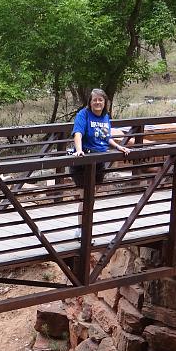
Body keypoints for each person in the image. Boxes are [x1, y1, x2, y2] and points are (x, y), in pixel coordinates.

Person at [70, 88, 131, 240]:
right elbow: (77, 133)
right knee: (86, 197)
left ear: (105, 102)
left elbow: (105, 137)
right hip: (85, 160)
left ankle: (81, 228)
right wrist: (78, 150)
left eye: (100, 100)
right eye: (94, 100)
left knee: (91, 197)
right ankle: (84, 230)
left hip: (99, 161)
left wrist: (118, 146)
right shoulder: (83, 115)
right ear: (90, 102)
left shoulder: (105, 117)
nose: (97, 102)